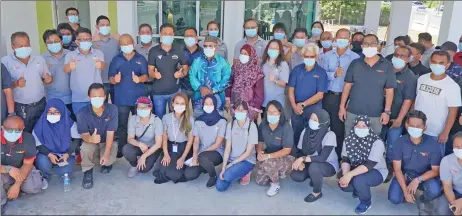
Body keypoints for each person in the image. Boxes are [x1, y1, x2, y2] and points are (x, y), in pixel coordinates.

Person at [339, 34, 396, 136]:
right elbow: (347, 86)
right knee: (349, 143)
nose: (369, 46)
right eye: (366, 44)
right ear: (362, 46)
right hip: (353, 112)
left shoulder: (387, 65)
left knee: (372, 146)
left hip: (375, 114)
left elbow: (389, 90)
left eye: (372, 44)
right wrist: (342, 107)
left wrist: (387, 112)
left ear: (378, 46)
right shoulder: (355, 64)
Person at [387, 110, 442, 212]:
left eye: (418, 126)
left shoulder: (433, 145)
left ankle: (423, 198)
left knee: (434, 191)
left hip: (425, 177)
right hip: (405, 175)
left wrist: (417, 180)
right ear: (406, 125)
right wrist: (405, 191)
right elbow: (397, 169)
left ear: (425, 127)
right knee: (394, 199)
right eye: (412, 125)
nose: (415, 129)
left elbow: (435, 171)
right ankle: (407, 193)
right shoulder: (399, 142)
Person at [320, 28, 360, 160]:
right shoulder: (327, 56)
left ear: (349, 40)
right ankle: (322, 155)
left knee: (339, 129)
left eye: (345, 37)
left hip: (344, 98)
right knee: (324, 126)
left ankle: (337, 157)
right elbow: (321, 75)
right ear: (335, 39)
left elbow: (356, 81)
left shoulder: (355, 58)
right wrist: (334, 74)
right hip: (328, 96)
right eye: (339, 37)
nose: (342, 40)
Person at [2, 31, 52, 133]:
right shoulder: (5, 61)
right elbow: (4, 86)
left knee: (41, 133)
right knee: (24, 134)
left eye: (27, 45)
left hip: (40, 104)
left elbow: (46, 79)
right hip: (20, 107)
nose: (24, 48)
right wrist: (16, 83)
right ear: (13, 46)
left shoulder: (39, 59)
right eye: (21, 46)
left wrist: (48, 79)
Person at [414, 51, 462, 156]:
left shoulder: (452, 86)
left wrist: (445, 132)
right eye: (434, 62)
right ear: (430, 62)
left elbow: (453, 111)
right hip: (416, 128)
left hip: (435, 132)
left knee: (433, 162)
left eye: (441, 63)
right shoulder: (422, 79)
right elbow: (416, 101)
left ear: (448, 65)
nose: (437, 65)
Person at [109, 34, 148, 158]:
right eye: (123, 44)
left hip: (139, 98)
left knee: (140, 124)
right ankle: (122, 148)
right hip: (121, 98)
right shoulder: (116, 60)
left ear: (133, 43)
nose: (126, 46)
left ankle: (138, 147)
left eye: (128, 43)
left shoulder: (140, 58)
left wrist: (139, 79)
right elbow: (110, 78)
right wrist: (115, 79)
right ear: (120, 46)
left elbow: (146, 76)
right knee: (122, 124)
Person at [339, 115, 388, 214]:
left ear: (369, 128)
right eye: (358, 125)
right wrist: (345, 175)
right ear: (353, 127)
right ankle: (358, 189)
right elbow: (346, 159)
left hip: (376, 171)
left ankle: (366, 202)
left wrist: (350, 175)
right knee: (344, 185)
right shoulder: (348, 140)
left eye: (364, 126)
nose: (360, 128)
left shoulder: (377, 142)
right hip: (356, 168)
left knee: (359, 180)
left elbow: (369, 165)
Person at [383, 46, 417, 176]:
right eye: (396, 54)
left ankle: (390, 167)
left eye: (402, 56)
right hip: (379, 114)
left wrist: (399, 120)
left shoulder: (410, 77)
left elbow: (408, 101)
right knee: (378, 141)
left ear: (408, 59)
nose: (398, 57)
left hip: (395, 118)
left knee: (392, 144)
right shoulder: (386, 69)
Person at [291, 109, 338, 202]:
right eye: (311, 118)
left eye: (315, 120)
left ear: (323, 122)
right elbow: (300, 151)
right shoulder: (305, 131)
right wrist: (300, 161)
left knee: (314, 167)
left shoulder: (330, 135)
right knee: (296, 175)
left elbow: (322, 158)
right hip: (310, 161)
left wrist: (302, 159)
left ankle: (317, 192)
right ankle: (314, 177)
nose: (311, 121)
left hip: (328, 164)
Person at [77, 83, 118, 189]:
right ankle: (87, 172)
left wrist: (107, 154)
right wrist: (91, 138)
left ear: (105, 97)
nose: (97, 99)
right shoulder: (82, 113)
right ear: (89, 97)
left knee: (108, 160)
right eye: (94, 97)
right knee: (85, 148)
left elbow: (110, 134)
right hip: (91, 142)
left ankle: (104, 161)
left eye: (100, 96)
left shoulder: (112, 109)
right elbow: (84, 135)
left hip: (106, 142)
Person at [1, 116, 43, 213]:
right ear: (2, 128)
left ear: (23, 129)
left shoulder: (28, 138)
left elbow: (28, 164)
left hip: (21, 169)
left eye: (17, 130)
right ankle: (1, 202)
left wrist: (17, 185)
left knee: (34, 188)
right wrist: (9, 169)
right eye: (10, 130)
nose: (13, 133)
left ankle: (11, 188)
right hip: (3, 171)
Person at [288, 42, 328, 145]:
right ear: (302, 56)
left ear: (317, 56)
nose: (309, 58)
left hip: (313, 110)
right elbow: (291, 89)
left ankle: (308, 158)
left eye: (312, 56)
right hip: (297, 110)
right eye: (307, 56)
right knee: (296, 134)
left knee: (311, 136)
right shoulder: (296, 70)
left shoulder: (321, 72)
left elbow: (320, 94)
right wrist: (294, 106)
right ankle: (296, 157)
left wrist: (302, 104)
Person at [184, 95, 227, 188]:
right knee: (189, 175)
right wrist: (195, 156)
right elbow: (196, 141)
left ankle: (213, 176)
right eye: (206, 103)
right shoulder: (198, 121)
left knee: (203, 157)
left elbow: (217, 144)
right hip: (201, 154)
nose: (208, 106)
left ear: (215, 105)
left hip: (217, 153)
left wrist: (200, 154)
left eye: (211, 104)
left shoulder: (222, 121)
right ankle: (205, 166)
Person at [147, 23, 189, 119]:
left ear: (174, 35)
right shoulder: (153, 51)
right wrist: (154, 74)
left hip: (174, 91)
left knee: (175, 118)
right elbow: (150, 71)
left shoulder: (179, 49)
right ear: (160, 35)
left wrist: (181, 74)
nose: (168, 36)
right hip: (158, 93)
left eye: (170, 34)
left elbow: (185, 68)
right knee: (159, 118)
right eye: (165, 33)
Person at [33, 99, 77, 187]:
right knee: (42, 161)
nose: (52, 114)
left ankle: (62, 171)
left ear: (62, 111)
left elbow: (77, 140)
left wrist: (67, 154)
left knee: (64, 172)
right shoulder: (40, 124)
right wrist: (49, 155)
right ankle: (45, 176)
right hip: (47, 153)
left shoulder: (70, 123)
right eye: (49, 112)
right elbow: (38, 143)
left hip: (65, 153)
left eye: (56, 112)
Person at [216, 100, 258, 191]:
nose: (240, 112)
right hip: (232, 159)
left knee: (227, 175)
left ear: (247, 112)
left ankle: (245, 172)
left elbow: (248, 153)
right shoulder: (230, 125)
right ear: (234, 111)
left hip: (247, 161)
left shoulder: (252, 126)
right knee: (220, 187)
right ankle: (234, 172)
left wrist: (231, 165)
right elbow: (227, 149)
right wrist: (223, 167)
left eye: (243, 110)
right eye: (238, 110)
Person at [255, 100, 294, 196]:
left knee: (269, 162)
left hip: (287, 156)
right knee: (260, 182)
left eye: (274, 112)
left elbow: (287, 150)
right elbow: (259, 142)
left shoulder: (286, 127)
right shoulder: (263, 126)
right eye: (269, 112)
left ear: (280, 113)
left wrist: (268, 156)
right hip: (270, 153)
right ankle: (275, 171)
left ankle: (276, 184)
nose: (271, 114)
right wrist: (259, 152)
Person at [154, 93, 194, 184]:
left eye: (182, 104)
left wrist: (183, 158)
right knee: (163, 168)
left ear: (186, 105)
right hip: (170, 146)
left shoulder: (190, 119)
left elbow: (190, 141)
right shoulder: (166, 117)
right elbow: (164, 138)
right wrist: (166, 154)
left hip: (183, 148)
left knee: (175, 173)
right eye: (177, 103)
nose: (179, 106)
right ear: (172, 103)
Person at [64, 27, 104, 115]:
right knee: (82, 126)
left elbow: (102, 66)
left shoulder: (98, 53)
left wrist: (100, 64)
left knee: (98, 125)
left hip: (96, 98)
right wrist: (69, 66)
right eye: (83, 39)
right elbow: (66, 69)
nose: (86, 41)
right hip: (78, 99)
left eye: (88, 39)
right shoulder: (70, 55)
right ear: (77, 41)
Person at [189, 36, 231, 118]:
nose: (207, 48)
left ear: (217, 48)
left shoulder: (223, 62)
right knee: (199, 124)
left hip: (218, 101)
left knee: (218, 125)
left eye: (210, 46)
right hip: (199, 101)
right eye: (205, 46)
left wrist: (214, 89)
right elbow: (192, 75)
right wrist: (200, 87)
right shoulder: (197, 60)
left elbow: (227, 78)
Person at [122, 96, 163, 178]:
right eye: (139, 108)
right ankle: (134, 165)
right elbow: (130, 139)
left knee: (143, 169)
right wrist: (140, 144)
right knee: (126, 149)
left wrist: (144, 156)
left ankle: (151, 159)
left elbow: (158, 144)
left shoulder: (157, 121)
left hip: (152, 148)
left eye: (144, 108)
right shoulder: (133, 119)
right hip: (139, 146)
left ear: (150, 108)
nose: (142, 110)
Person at [41, 29, 74, 120]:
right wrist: (45, 79)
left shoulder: (71, 55)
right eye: (50, 42)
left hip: (71, 99)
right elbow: (40, 79)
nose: (53, 44)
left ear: (61, 42)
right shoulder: (41, 59)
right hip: (51, 100)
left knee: (72, 127)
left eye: (56, 41)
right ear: (45, 44)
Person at [227, 45, 264, 121]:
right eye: (241, 53)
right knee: (236, 126)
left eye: (245, 54)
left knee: (250, 128)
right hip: (236, 104)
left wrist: (256, 108)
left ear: (251, 55)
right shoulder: (235, 67)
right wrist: (228, 98)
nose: (243, 55)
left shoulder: (256, 71)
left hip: (250, 106)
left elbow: (259, 92)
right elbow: (229, 83)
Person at [92, 15, 119, 102]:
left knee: (117, 107)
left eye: (107, 25)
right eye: (102, 25)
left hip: (116, 80)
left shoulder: (116, 40)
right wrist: (92, 41)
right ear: (97, 27)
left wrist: (121, 39)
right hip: (100, 81)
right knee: (102, 107)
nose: (105, 27)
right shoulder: (92, 43)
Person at [434, 132, 462, 215]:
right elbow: (448, 187)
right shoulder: (446, 161)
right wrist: (455, 206)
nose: (460, 149)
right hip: (455, 192)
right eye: (457, 147)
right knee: (441, 211)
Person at [261, 39, 290, 111]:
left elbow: (283, 83)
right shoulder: (263, 63)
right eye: (271, 48)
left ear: (279, 50)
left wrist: (275, 80)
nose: (272, 50)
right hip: (264, 101)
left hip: (277, 102)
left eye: (275, 48)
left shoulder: (283, 64)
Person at [182, 27, 203, 100]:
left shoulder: (203, 53)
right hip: (182, 87)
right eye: (187, 36)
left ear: (196, 38)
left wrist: (190, 69)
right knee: (181, 110)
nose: (189, 38)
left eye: (191, 36)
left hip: (198, 88)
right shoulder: (179, 52)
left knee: (197, 110)